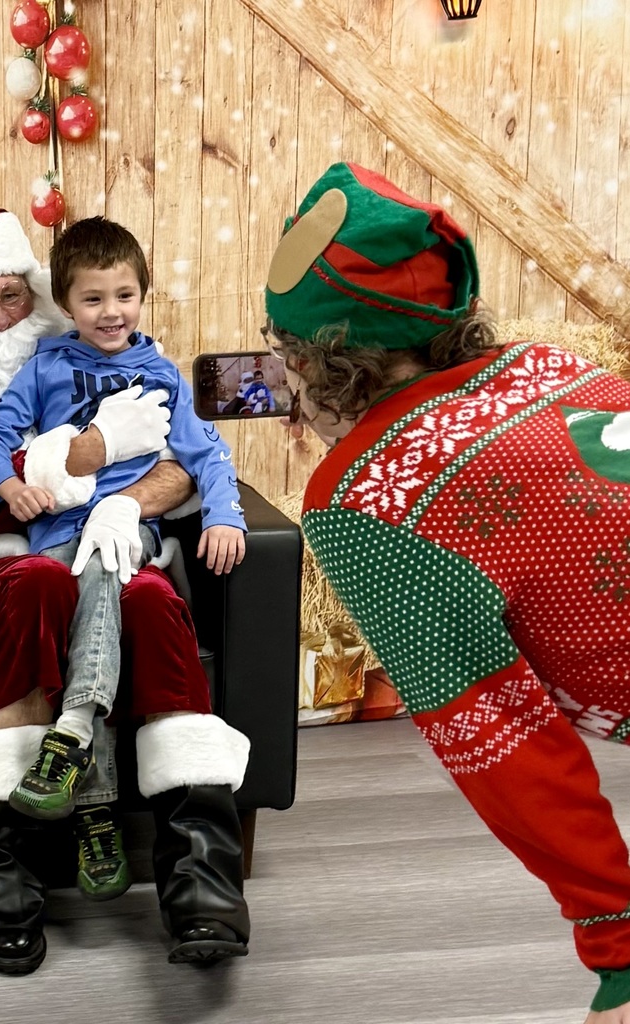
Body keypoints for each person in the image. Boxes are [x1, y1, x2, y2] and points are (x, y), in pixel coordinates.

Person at [262, 161, 630, 1024]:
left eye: (286, 352)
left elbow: (499, 735)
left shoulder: (363, 500)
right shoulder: (551, 368)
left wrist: (617, 941)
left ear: (324, 360)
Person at [0, 208, 251, 976]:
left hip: (107, 545)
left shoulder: (99, 355)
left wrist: (127, 497)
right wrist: (98, 447)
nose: (1, 318)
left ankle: (200, 879)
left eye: (10, 296)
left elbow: (182, 461)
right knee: (37, 582)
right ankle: (8, 876)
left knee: (145, 598)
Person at [0, 215, 247, 829]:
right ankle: (95, 808)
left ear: (144, 295)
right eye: (93, 299)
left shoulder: (164, 376)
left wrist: (226, 516)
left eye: (125, 295)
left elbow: (207, 455)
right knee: (88, 584)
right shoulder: (45, 369)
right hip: (60, 532)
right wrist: (9, 485)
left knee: (107, 562)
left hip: (129, 529)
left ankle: (72, 728)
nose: (111, 311)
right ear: (66, 303)